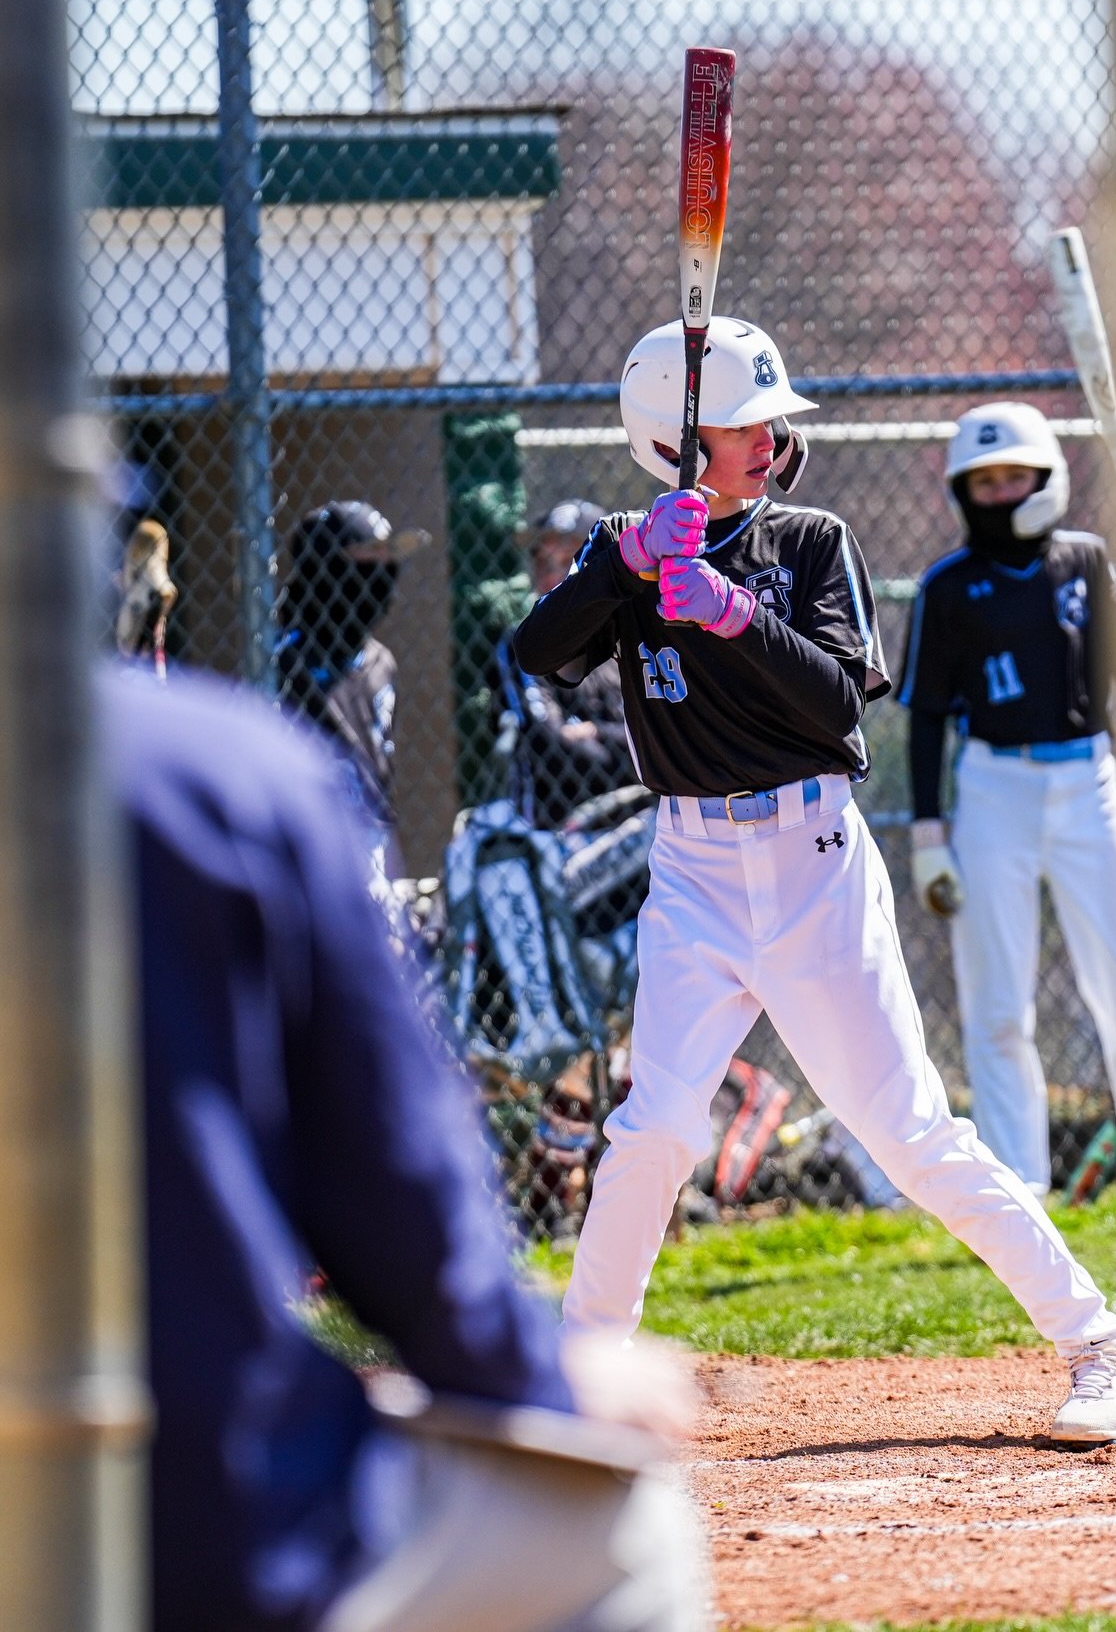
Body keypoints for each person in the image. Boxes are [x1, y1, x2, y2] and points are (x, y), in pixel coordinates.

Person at [511, 316, 1116, 1445]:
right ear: (672, 439)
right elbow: (538, 653)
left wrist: (723, 608)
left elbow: (833, 705)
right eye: (742, 423)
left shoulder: (809, 541)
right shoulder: (628, 541)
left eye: (772, 420)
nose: (769, 438)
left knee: (908, 1132)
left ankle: (1106, 1346)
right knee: (655, 1129)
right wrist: (622, 567)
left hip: (812, 863)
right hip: (694, 873)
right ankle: (581, 1375)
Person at [104, 663, 705, 1632]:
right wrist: (534, 1372)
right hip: (203, 1530)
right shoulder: (220, 768)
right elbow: (401, 1217)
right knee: (631, 1536)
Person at [899, 402, 1116, 1221]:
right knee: (998, 1002)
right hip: (993, 790)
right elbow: (927, 717)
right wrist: (928, 836)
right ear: (962, 491)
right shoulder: (947, 587)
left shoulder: (1086, 561)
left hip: (1089, 781)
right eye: (984, 481)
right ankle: (1022, 1190)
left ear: (1047, 478)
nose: (1002, 493)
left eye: (1016, 476)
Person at [276, 499, 430, 871]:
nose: (383, 569)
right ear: (327, 567)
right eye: (368, 555)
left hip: (372, 838)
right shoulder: (281, 659)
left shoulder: (380, 661)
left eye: (388, 556)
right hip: (306, 837)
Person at [493, 499, 636, 830]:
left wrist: (596, 732)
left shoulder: (632, 634)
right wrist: (627, 745)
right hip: (558, 830)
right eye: (543, 563)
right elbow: (551, 747)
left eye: (567, 562)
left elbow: (665, 738)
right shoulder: (526, 646)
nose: (550, 578)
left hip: (644, 821)